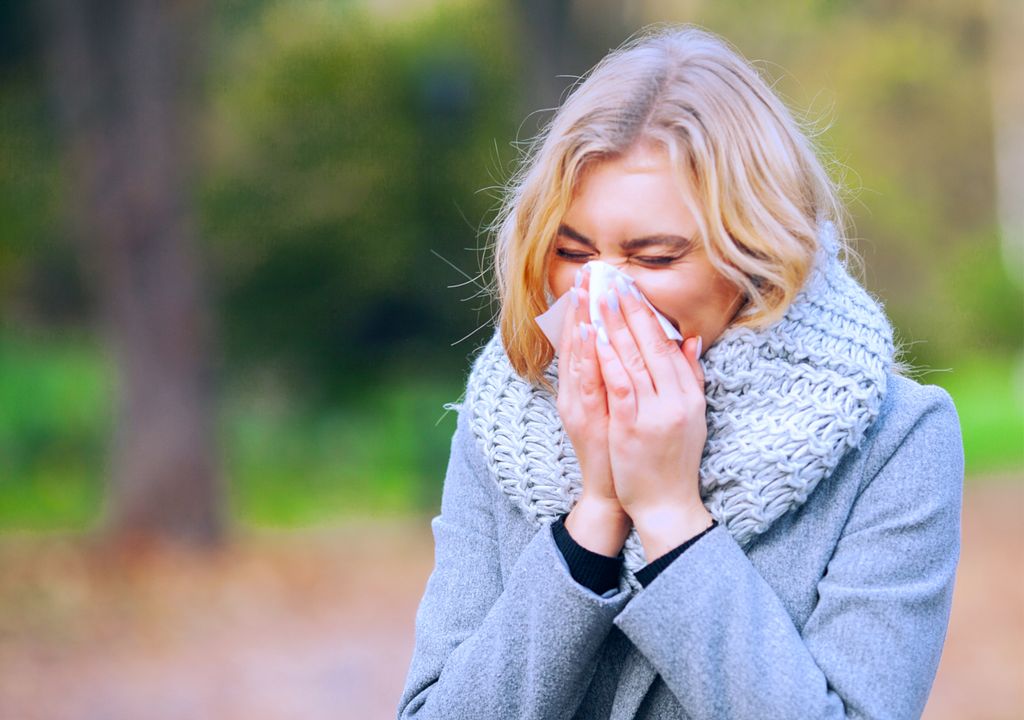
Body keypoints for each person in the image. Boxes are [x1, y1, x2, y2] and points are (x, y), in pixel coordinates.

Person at [397, 24, 962, 720]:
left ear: (757, 259)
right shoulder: (504, 422)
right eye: (573, 252)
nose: (601, 289)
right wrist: (594, 517)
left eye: (654, 257)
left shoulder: (896, 440)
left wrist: (670, 517)